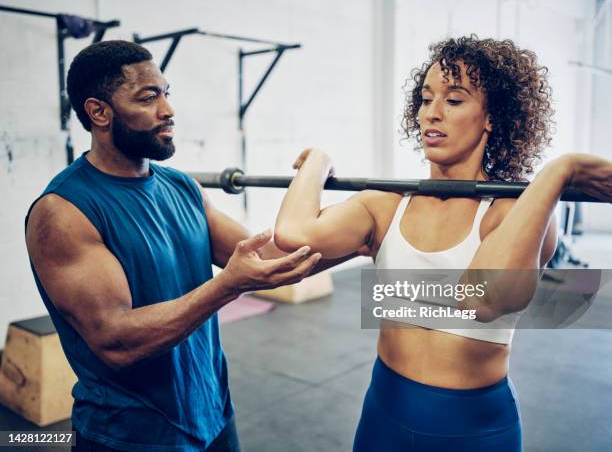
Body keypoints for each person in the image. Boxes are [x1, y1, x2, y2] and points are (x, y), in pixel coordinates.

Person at [274, 36, 612, 451]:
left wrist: (558, 172)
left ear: (492, 116)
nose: (431, 113)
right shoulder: (386, 205)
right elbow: (294, 236)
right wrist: (318, 163)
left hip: (473, 430)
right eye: (425, 98)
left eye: (454, 100)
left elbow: (482, 298)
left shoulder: (511, 213)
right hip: (383, 414)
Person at [24, 40, 357, 452]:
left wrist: (363, 230)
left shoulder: (182, 187)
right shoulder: (64, 211)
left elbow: (275, 259)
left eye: (166, 93)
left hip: (212, 415)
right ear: (99, 112)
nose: (168, 110)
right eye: (149, 98)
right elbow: (115, 342)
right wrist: (227, 286)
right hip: (129, 436)